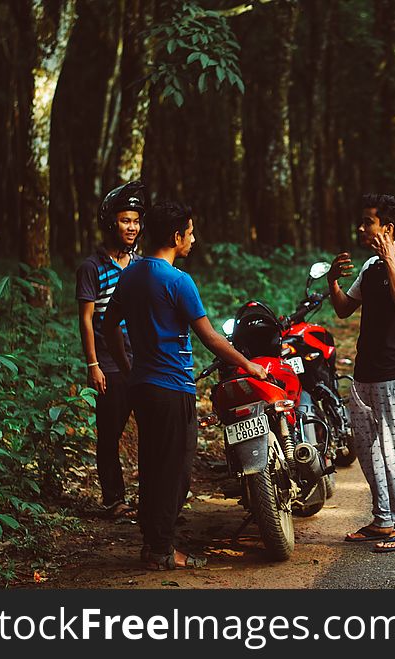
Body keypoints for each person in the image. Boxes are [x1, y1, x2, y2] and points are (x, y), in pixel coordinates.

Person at [102, 200, 267, 570]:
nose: (194, 238)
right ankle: (162, 550)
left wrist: (129, 369)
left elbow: (110, 324)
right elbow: (209, 336)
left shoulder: (130, 274)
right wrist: (248, 365)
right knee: (174, 471)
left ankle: (153, 545)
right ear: (176, 236)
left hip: (143, 386)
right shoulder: (178, 281)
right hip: (173, 387)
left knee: (152, 466)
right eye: (190, 232)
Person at [327, 193, 395, 553]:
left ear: (387, 227)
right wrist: (333, 281)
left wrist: (389, 261)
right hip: (363, 371)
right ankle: (383, 519)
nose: (360, 227)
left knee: (394, 444)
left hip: (394, 370)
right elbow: (343, 310)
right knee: (366, 446)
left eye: (368, 221)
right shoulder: (369, 268)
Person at [75, 181, 146, 519]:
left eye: (135, 221)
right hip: (109, 362)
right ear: (110, 223)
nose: (131, 227)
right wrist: (93, 364)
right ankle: (114, 499)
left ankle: (151, 499)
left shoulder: (141, 263)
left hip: (142, 360)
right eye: (124, 221)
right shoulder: (92, 267)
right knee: (110, 434)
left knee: (151, 429)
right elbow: (86, 320)